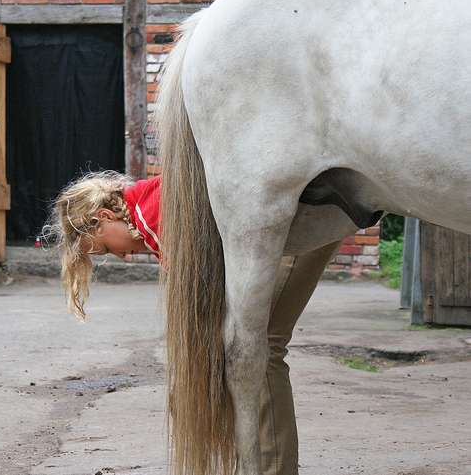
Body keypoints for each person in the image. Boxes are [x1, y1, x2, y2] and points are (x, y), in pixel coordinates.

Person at [43, 170, 340, 475]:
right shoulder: (150, 204)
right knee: (249, 345)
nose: (121, 256)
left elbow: (205, 306)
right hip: (281, 221)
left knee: (261, 346)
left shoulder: (155, 219)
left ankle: (273, 470)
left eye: (106, 248)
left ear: (105, 216)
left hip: (299, 221)